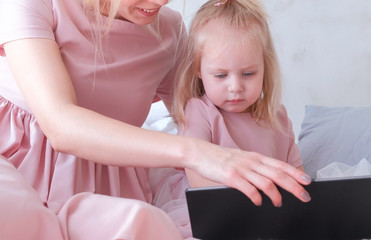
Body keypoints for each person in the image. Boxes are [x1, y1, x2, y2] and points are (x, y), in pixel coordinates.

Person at [0, 0, 311, 239]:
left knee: (144, 225)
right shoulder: (38, 5)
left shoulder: (169, 31)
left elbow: (211, 110)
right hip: (15, 160)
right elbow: (60, 125)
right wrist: (197, 152)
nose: (162, 1)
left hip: (106, 187)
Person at [151, 0, 311, 238]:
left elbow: (295, 172)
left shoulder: (277, 116)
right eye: (221, 75)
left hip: (270, 212)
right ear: (198, 69)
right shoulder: (200, 112)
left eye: (248, 73)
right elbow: (201, 183)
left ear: (264, 67)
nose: (235, 87)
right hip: (217, 211)